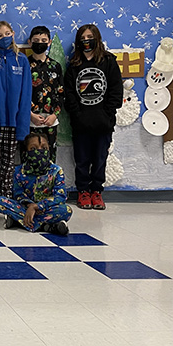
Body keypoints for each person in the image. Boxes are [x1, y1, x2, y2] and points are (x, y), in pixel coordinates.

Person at [63, 23, 123, 211]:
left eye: (90, 37)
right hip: (81, 122)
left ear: (97, 39)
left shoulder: (108, 61)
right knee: (81, 159)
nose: (86, 41)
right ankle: (83, 192)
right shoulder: (74, 65)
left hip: (103, 122)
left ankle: (96, 191)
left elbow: (115, 90)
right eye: (83, 38)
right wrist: (77, 114)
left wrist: (107, 114)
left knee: (99, 158)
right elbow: (69, 93)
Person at [0, 20, 32, 204]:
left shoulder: (22, 60)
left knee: (9, 161)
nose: (4, 38)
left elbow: (26, 94)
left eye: (6, 34)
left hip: (14, 121)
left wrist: (22, 123)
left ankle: (6, 194)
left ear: (13, 33)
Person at [0, 132, 71, 235]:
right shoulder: (18, 171)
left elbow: (60, 197)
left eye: (44, 148)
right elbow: (18, 194)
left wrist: (37, 206)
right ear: (25, 152)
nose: (39, 152)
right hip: (25, 208)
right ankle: (47, 226)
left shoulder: (56, 171)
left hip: (45, 208)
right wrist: (30, 206)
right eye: (33, 149)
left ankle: (20, 221)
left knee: (66, 210)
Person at [27, 25, 64, 162]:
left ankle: (49, 183)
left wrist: (55, 115)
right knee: (30, 157)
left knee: (49, 158)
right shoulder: (24, 64)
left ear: (49, 42)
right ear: (30, 42)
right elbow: (19, 94)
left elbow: (60, 93)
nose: (40, 43)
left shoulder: (55, 66)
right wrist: (30, 115)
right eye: (36, 40)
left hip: (50, 122)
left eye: (44, 40)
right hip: (29, 121)